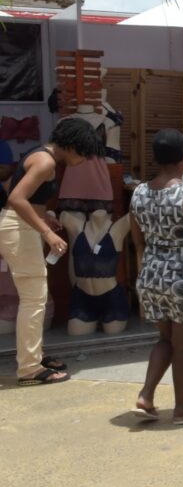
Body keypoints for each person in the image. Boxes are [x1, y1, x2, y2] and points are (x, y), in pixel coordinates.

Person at [1, 118, 102, 386]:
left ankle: (34, 355)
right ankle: (30, 369)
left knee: (34, 297)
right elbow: (15, 198)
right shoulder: (45, 162)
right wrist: (45, 231)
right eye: (82, 153)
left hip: (20, 227)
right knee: (34, 299)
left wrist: (42, 215)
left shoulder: (39, 155)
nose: (82, 160)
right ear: (72, 146)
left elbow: (11, 188)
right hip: (19, 230)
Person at [130, 129, 183, 423]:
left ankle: (146, 396)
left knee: (165, 339)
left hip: (151, 275)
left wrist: (144, 275)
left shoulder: (139, 192)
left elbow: (138, 241)